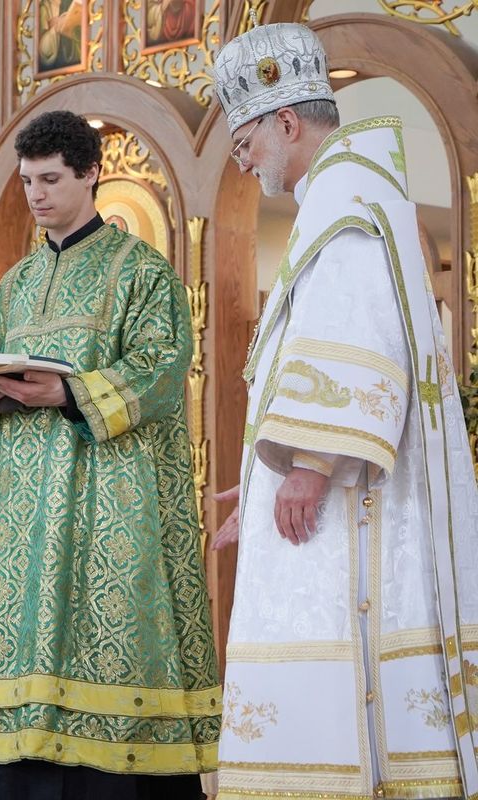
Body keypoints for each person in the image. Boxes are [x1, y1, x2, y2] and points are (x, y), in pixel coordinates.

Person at [210, 23, 478, 800]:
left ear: (287, 122)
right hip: (335, 477)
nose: (244, 162)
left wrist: (309, 465)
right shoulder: (349, 192)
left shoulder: (345, 197)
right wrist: (263, 484)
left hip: (345, 492)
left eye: (245, 143)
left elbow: (357, 333)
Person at [0, 110, 220, 800]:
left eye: (50, 179)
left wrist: (68, 391)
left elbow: (163, 368)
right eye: (27, 181)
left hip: (107, 500)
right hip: (24, 505)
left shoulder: (142, 271)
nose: (35, 194)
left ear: (91, 173)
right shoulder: (16, 281)